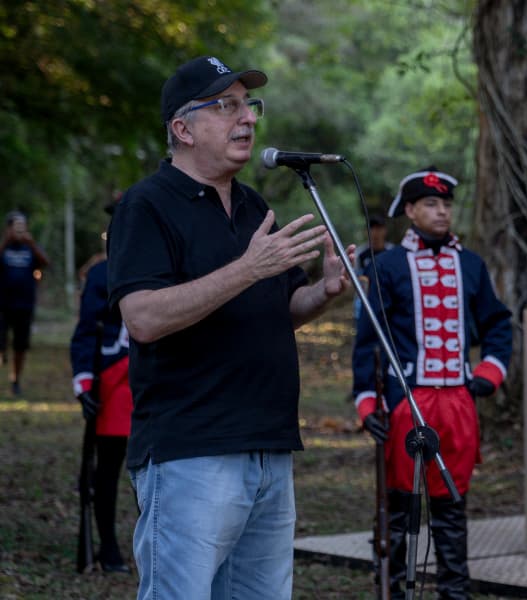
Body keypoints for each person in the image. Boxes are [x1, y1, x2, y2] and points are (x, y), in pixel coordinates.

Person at [107, 56, 353, 599]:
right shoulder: (147, 206)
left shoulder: (252, 205)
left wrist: (325, 294)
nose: (248, 119)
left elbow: (279, 306)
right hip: (191, 453)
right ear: (182, 128)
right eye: (226, 106)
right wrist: (248, 268)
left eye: (249, 105)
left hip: (269, 449)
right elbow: (143, 318)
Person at [353, 167, 513, 598]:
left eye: (446, 205)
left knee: (451, 508)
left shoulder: (471, 264)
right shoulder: (387, 265)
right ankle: (394, 592)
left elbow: (499, 323)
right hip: (407, 401)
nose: (441, 212)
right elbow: (368, 340)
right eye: (430, 204)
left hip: (458, 402)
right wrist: (368, 404)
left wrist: (489, 373)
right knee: (399, 511)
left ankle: (454, 594)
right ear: (410, 210)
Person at [69, 203, 133, 573]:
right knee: (108, 469)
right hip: (113, 382)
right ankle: (108, 547)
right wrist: (85, 384)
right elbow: (85, 334)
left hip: (155, 380)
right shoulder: (101, 275)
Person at [0, 211, 50, 396]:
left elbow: (46, 263)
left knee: (20, 346)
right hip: (3, 305)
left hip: (24, 305)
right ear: (9, 228)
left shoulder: (31, 248)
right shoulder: (4, 247)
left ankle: (15, 380)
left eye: (23, 226)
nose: (20, 230)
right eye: (17, 226)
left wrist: (32, 244)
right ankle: (2, 351)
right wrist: (5, 241)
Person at [355, 214, 394, 321]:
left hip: (389, 303)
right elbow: (357, 279)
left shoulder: (392, 252)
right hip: (365, 303)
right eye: (371, 228)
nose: (375, 232)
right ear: (366, 231)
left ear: (385, 230)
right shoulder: (360, 254)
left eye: (379, 228)